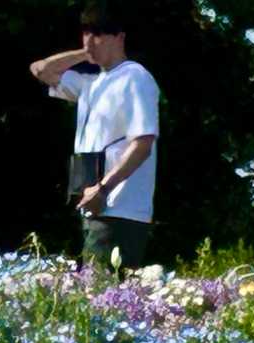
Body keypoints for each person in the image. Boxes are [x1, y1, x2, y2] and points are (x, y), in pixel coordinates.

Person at [29, 7, 159, 269]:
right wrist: (84, 53)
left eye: (98, 34)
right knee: (96, 288)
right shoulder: (92, 83)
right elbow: (41, 70)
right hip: (94, 206)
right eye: (86, 33)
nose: (89, 40)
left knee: (102, 289)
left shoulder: (135, 77)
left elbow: (143, 144)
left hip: (120, 208)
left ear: (119, 37)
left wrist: (103, 188)